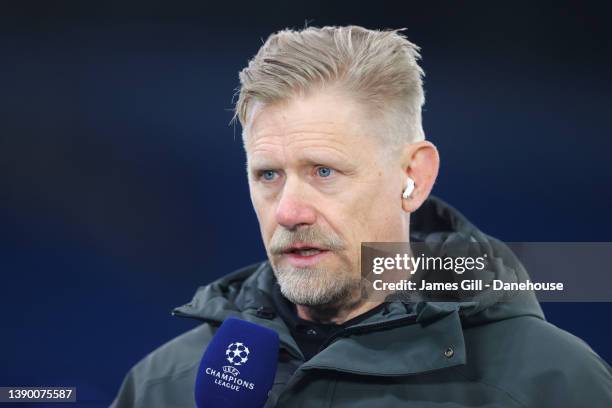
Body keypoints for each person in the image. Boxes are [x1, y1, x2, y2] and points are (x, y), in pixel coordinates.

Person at [111, 25, 612, 407]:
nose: (288, 211)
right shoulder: (166, 383)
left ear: (414, 175)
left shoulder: (549, 382)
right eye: (268, 175)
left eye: (324, 171)